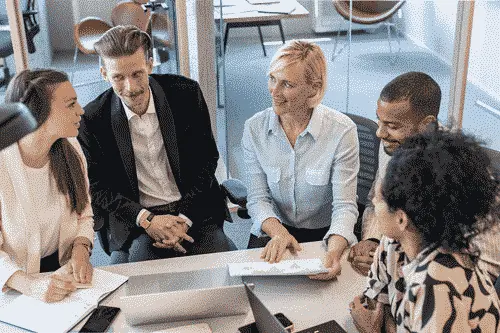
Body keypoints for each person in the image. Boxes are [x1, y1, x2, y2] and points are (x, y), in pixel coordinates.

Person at [78, 25, 234, 264]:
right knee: (142, 272)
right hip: (136, 218)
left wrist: (183, 219)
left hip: (194, 209)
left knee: (223, 269)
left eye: (137, 74)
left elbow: (207, 161)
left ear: (150, 65)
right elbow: (98, 187)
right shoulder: (92, 119)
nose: (130, 88)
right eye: (118, 77)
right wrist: (147, 220)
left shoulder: (186, 94)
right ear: (103, 74)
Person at [348, 72, 500, 279]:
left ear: (427, 124)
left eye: (393, 126)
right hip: (398, 276)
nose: (380, 133)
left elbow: (489, 262)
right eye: (380, 122)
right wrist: (373, 241)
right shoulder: (394, 146)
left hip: (446, 288)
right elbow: (377, 202)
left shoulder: (461, 170)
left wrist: (418, 276)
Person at [350, 129, 500, 332]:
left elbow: (375, 322)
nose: (374, 201)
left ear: (402, 218)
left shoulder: (438, 286)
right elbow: (375, 302)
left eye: (379, 198)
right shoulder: (395, 241)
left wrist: (373, 331)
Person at [242, 40, 359, 280]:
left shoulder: (342, 131)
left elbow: (345, 207)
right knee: (255, 292)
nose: (274, 91)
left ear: (313, 89)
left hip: (325, 235)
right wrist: (278, 233)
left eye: (287, 84)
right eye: (272, 78)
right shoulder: (254, 128)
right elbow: (257, 198)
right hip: (274, 228)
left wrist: (335, 253)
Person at [0, 69, 94, 302]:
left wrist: (81, 250)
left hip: (61, 275)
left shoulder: (71, 149)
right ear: (37, 112)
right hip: (12, 282)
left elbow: (84, 214)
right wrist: (30, 286)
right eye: (71, 104)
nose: (80, 110)